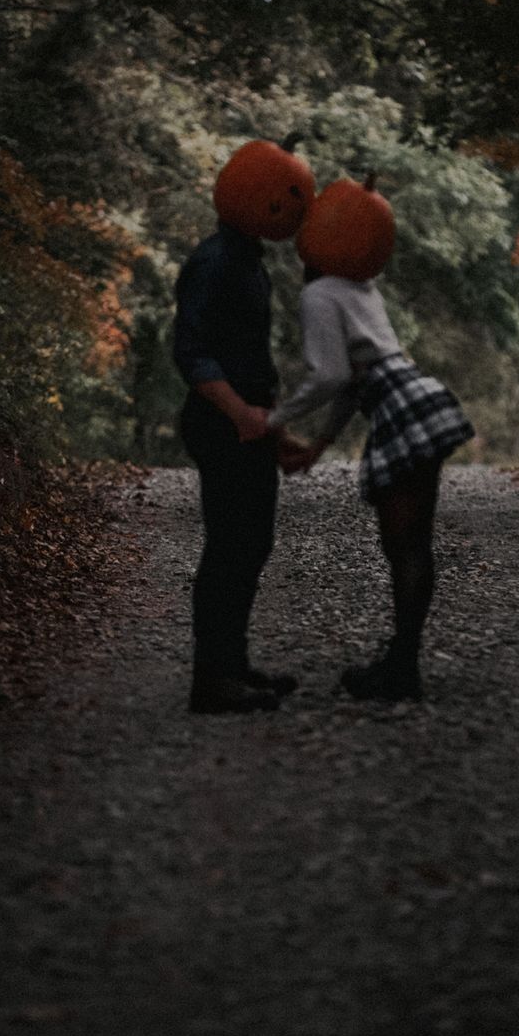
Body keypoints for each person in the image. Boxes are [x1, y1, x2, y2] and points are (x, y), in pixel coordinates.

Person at [268, 266, 475, 702]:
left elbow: (331, 377)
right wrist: (320, 445)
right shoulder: (361, 285)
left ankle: (401, 670)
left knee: (404, 547)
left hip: (402, 409)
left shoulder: (320, 293)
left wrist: (272, 420)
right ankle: (402, 663)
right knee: (413, 543)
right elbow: (354, 380)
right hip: (420, 398)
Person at [173, 140, 314, 714]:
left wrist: (275, 432)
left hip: (249, 425)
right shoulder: (213, 262)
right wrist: (239, 414)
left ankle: (232, 664)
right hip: (220, 424)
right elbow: (192, 351)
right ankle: (211, 679)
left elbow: (254, 361)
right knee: (228, 547)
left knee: (251, 545)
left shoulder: (250, 260)